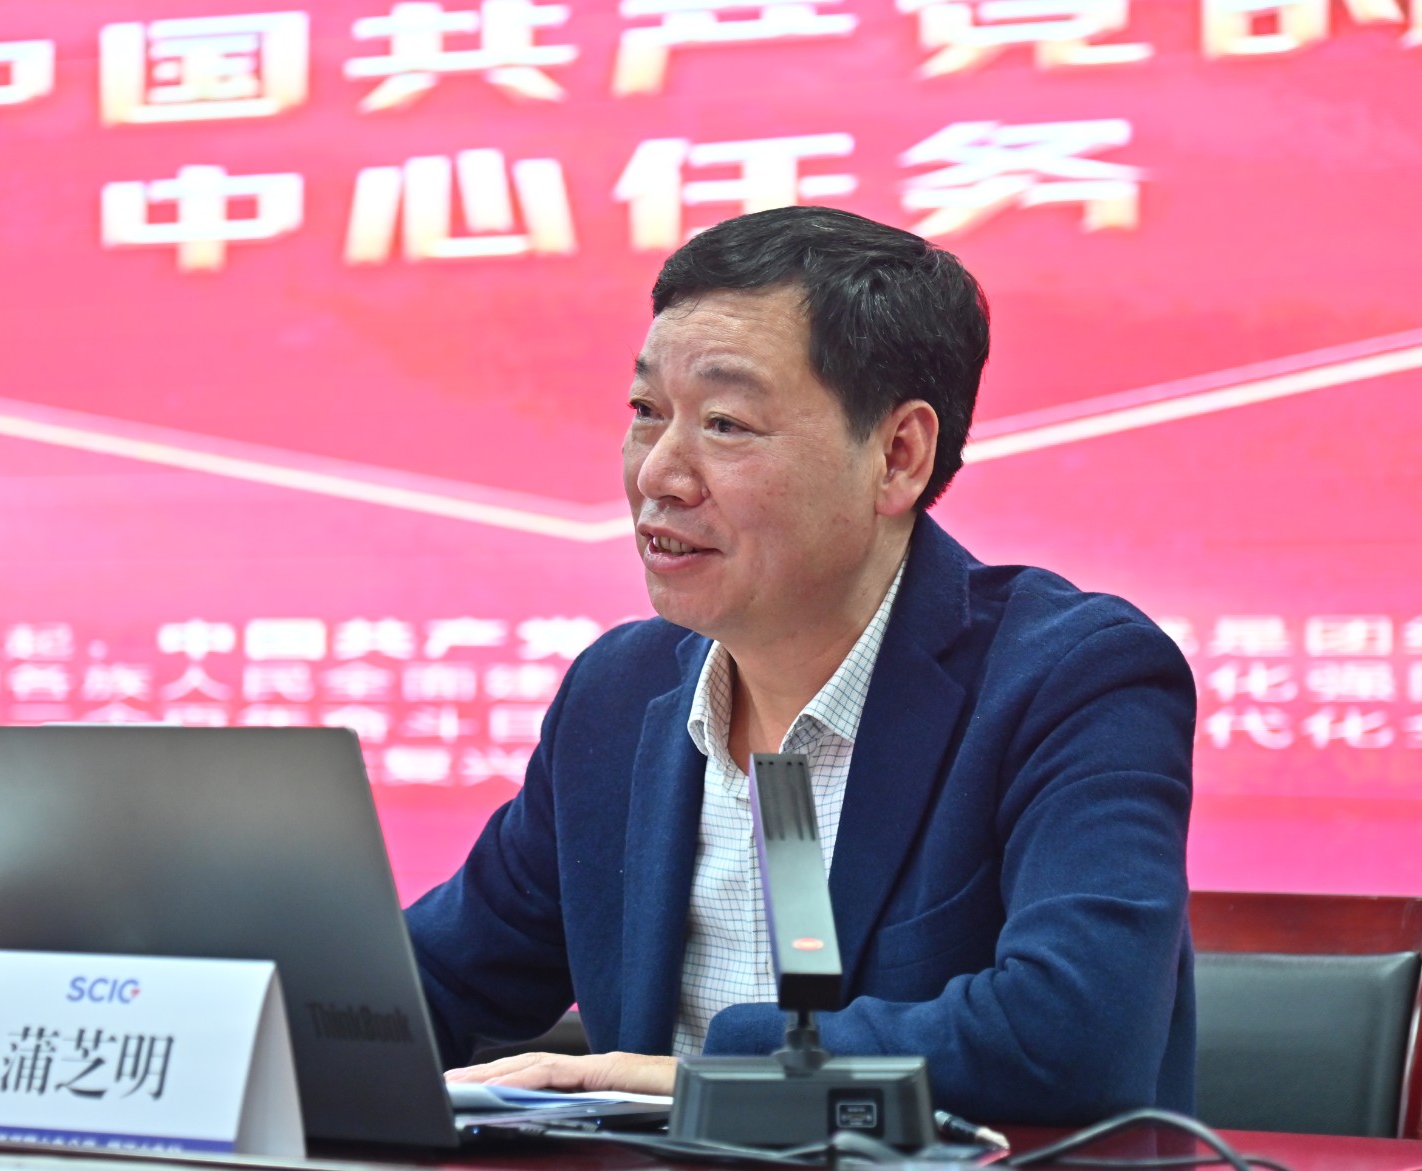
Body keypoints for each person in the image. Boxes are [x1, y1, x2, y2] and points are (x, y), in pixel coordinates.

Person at [409, 205, 1197, 1125]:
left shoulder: (1072, 680)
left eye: (726, 423)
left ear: (898, 456)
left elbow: (1074, 1036)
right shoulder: (618, 695)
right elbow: (430, 980)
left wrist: (707, 1076)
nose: (659, 473)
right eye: (647, 412)